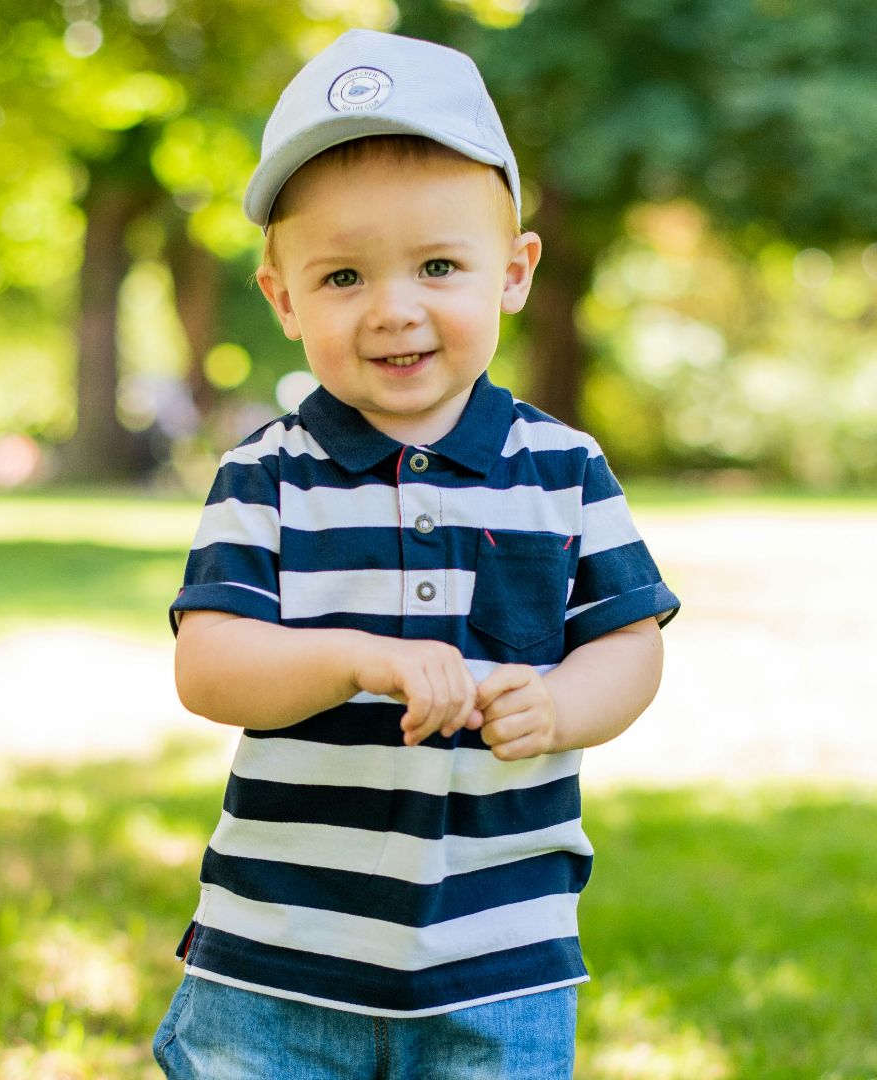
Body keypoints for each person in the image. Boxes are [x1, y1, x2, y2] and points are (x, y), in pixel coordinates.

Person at [152, 28, 680, 1079]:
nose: (395, 309)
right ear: (284, 298)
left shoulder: (561, 469)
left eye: (439, 265)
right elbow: (208, 667)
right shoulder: (269, 475)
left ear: (514, 272)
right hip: (281, 957)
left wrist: (567, 707)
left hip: (501, 957)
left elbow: (631, 644)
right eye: (343, 275)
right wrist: (354, 657)